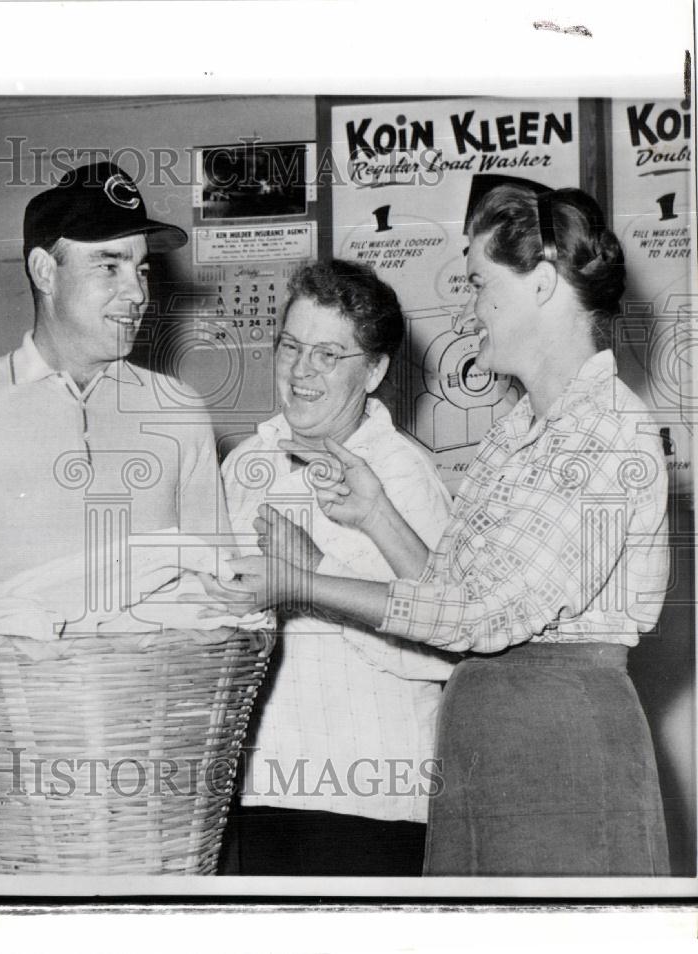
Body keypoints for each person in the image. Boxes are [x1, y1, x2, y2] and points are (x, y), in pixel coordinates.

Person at [216, 180, 671, 876]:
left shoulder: (604, 431)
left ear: (543, 285)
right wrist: (375, 514)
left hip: (559, 748)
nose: (468, 308)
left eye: (480, 283)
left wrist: (304, 583)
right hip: (484, 746)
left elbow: (483, 615)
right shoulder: (519, 428)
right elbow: (451, 586)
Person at [0, 161, 226, 630]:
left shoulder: (179, 408)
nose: (137, 292)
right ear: (45, 272)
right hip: (21, 691)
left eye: (141, 270)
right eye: (109, 267)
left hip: (152, 687)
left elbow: (217, 567)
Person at [217, 260, 456, 877]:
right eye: (291, 346)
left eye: (328, 354)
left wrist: (313, 576)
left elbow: (443, 649)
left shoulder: (403, 474)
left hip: (366, 803)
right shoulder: (246, 462)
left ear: (373, 370)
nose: (301, 371)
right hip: (252, 792)